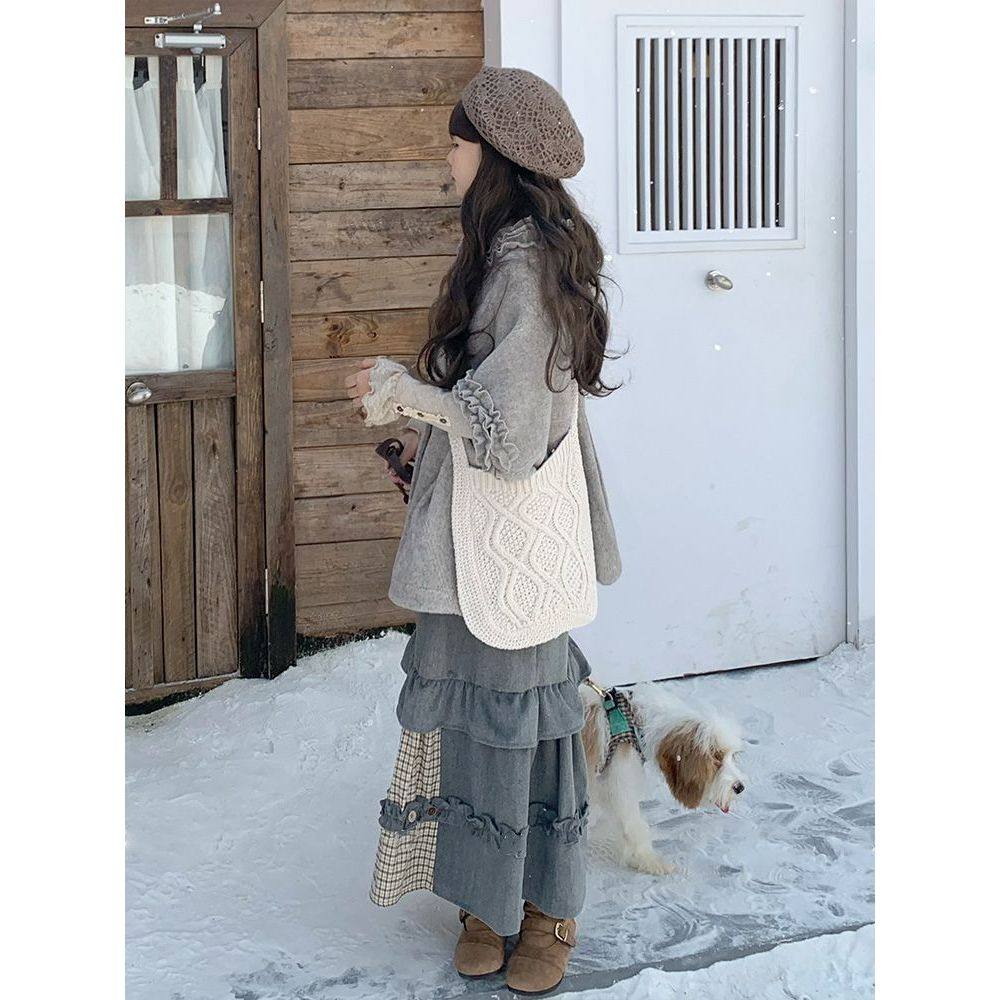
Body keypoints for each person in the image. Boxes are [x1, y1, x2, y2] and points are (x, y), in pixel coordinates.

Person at [344, 65, 623, 995]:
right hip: (483, 532)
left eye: (457, 143)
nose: (447, 158)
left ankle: (548, 909)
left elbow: (504, 435)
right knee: (478, 716)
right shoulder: (505, 252)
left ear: (494, 155)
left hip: (514, 533)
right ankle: (486, 899)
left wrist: (402, 389)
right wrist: (419, 437)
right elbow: (485, 407)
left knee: (526, 721)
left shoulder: (522, 268)